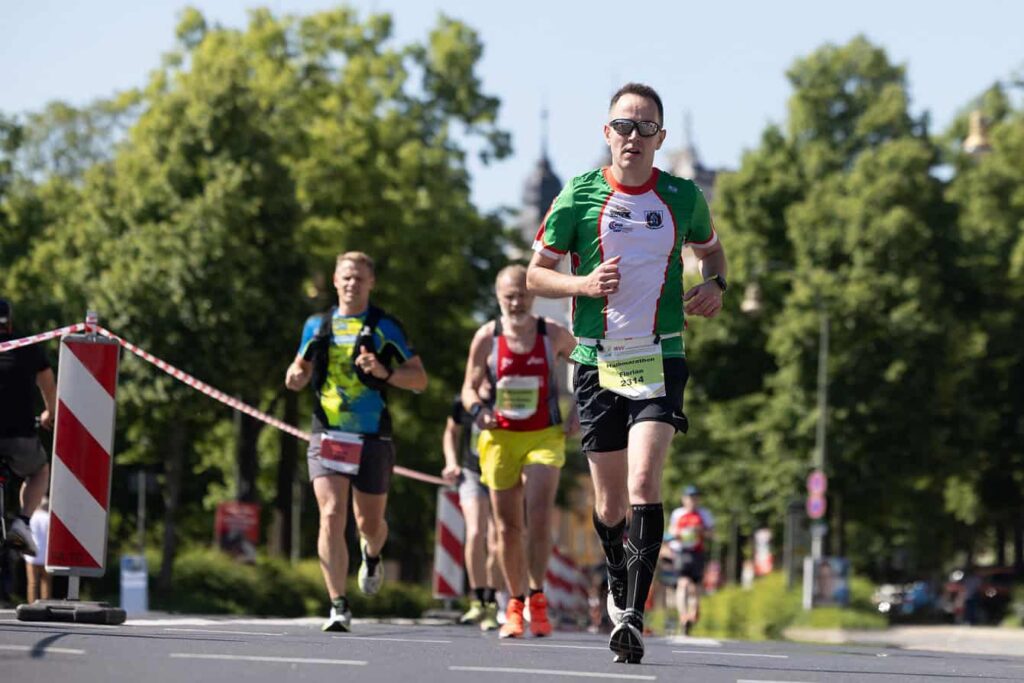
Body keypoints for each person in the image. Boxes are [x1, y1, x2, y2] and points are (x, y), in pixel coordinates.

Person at [526, 83, 728, 663]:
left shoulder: (682, 197)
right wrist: (582, 285)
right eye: (623, 125)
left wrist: (714, 285)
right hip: (595, 361)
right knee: (609, 505)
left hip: (660, 356)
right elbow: (535, 274)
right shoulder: (578, 195)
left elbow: (712, 255)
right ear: (606, 131)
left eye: (645, 128)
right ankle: (617, 570)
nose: (632, 137)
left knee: (644, 484)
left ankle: (633, 616)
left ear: (660, 138)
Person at [285, 251, 428, 632]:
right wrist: (296, 376)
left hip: (372, 436)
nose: (352, 284)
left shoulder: (385, 326)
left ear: (371, 284)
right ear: (335, 280)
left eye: (360, 278)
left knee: (370, 523)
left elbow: (419, 379)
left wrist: (385, 372)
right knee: (331, 513)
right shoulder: (317, 325)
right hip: (327, 432)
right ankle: (338, 604)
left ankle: (372, 553)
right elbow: (298, 369)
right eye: (346, 277)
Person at [461, 264, 578, 639]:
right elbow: (469, 387)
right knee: (508, 529)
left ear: (533, 295)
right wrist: (479, 410)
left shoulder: (553, 333)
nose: (516, 302)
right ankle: (514, 604)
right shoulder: (486, 337)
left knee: (539, 515)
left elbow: (589, 366)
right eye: (509, 296)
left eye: (523, 294)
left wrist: (578, 409)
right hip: (500, 439)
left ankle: (538, 598)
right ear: (498, 297)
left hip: (544, 436)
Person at [441, 382, 503, 631]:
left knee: (498, 541)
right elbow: (450, 432)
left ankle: (491, 601)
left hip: (502, 473)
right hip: (471, 474)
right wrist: (451, 461)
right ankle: (476, 599)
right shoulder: (463, 400)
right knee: (475, 533)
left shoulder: (507, 396)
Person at [0, 298, 55, 557]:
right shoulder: (26, 346)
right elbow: (46, 381)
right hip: (19, 435)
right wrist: (50, 413)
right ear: (9, 321)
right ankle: (22, 523)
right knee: (40, 471)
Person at [663, 485, 714, 635]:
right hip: (681, 552)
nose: (692, 501)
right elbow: (671, 532)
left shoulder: (704, 514)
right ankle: (683, 616)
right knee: (683, 583)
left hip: (697, 553)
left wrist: (700, 531)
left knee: (696, 588)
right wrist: (677, 534)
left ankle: (693, 612)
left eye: (695, 498)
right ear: (684, 499)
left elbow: (711, 534)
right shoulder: (678, 514)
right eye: (689, 498)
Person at [24, 496, 51, 602]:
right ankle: (45, 603)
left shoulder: (31, 517)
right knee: (46, 582)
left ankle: (32, 604)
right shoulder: (49, 518)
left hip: (31, 554)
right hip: (45, 555)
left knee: (32, 583)